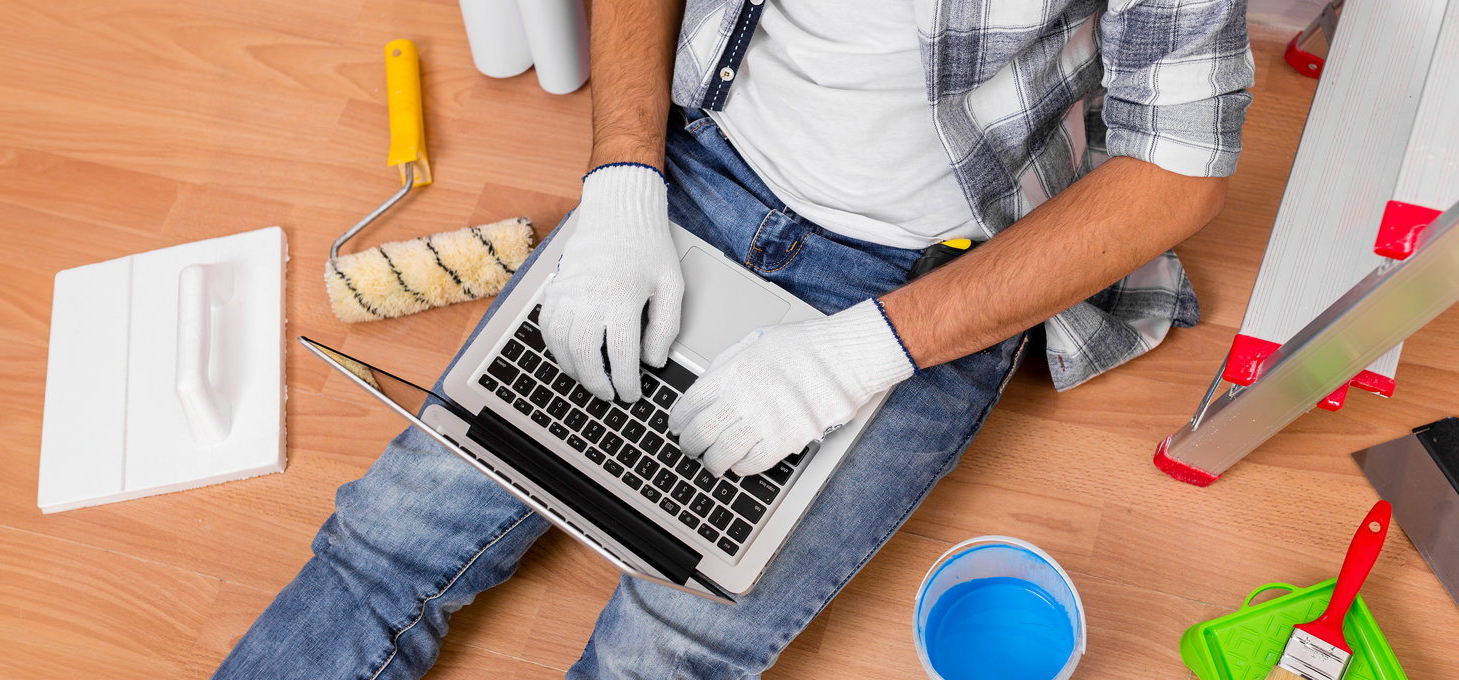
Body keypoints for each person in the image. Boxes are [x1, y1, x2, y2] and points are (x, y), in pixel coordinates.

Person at [214, 0, 1252, 676]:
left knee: (664, 648)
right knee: (381, 543)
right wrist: (623, 178)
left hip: (937, 262)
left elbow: (1178, 168)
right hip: (697, 163)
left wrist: (862, 352)